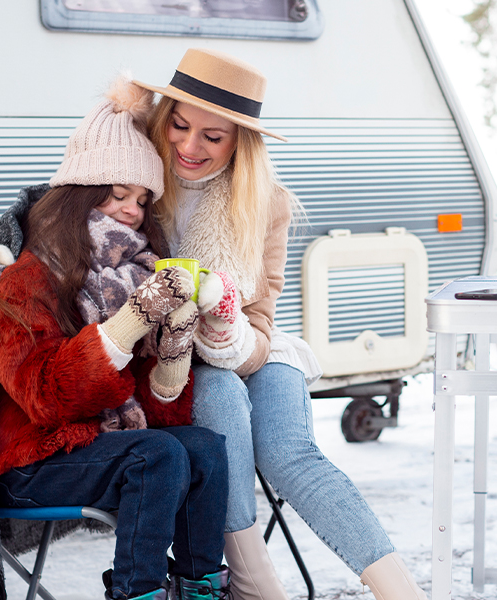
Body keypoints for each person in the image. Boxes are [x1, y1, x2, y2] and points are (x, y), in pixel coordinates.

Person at [133, 48, 429, 600]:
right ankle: (257, 588)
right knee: (218, 394)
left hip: (252, 349)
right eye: (179, 125)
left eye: (212, 137)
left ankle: (402, 592)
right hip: (167, 362)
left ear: (239, 142)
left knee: (288, 452)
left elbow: (261, 325)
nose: (189, 146)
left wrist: (224, 329)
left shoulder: (265, 204)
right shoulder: (133, 182)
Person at [0, 76, 229, 600]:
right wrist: (134, 319)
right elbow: (43, 397)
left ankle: (199, 588)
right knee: (155, 456)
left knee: (202, 447)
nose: (133, 211)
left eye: (142, 199)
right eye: (119, 194)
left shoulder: (135, 273)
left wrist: (176, 346)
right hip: (34, 460)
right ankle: (138, 593)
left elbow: (157, 414)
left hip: (102, 445)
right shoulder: (29, 276)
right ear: (81, 194)